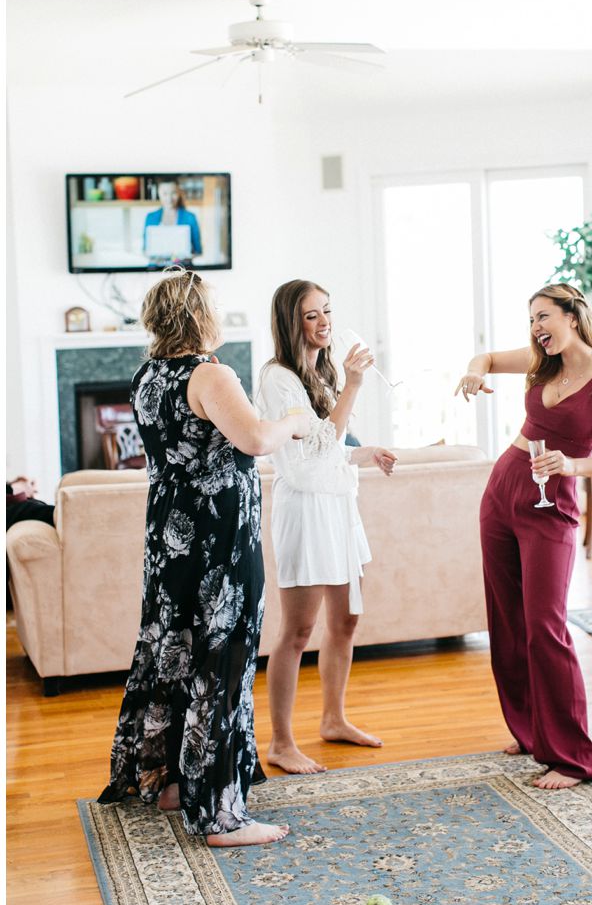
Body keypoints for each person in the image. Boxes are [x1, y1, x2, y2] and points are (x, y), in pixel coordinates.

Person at [99, 268, 311, 847]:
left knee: (176, 650)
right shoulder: (208, 372)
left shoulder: (148, 375)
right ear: (199, 314)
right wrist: (293, 419)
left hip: (170, 536)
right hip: (218, 539)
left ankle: (173, 783)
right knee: (224, 658)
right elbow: (255, 440)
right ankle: (219, 815)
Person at [455, 283, 592, 789]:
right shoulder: (541, 361)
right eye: (531, 320)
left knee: (545, 625)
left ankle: (574, 756)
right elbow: (487, 357)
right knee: (508, 621)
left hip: (551, 502)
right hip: (504, 488)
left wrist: (573, 464)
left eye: (544, 317)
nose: (537, 328)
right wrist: (474, 371)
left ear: (573, 316)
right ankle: (533, 731)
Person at [256, 280, 398, 775]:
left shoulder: (321, 373)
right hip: (305, 513)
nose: (325, 323)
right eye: (312, 315)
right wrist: (354, 386)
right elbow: (305, 462)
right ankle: (281, 742)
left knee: (347, 620)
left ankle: (334, 719)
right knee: (296, 630)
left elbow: (330, 448)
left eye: (327, 312)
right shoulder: (278, 380)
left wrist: (365, 452)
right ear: (290, 321)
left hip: (338, 507)